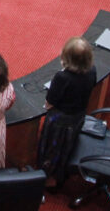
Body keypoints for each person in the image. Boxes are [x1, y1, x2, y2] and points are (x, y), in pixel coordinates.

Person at [37, 37, 97, 187]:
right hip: (78, 117)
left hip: (60, 122)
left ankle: (48, 178)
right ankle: (59, 172)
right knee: (66, 147)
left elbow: (50, 102)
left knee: (53, 149)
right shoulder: (92, 70)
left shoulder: (62, 77)